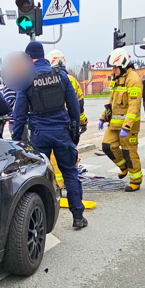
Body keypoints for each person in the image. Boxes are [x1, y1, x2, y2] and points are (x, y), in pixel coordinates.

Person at [12, 41, 87, 229]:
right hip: (62, 133)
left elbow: (19, 113)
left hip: (39, 135)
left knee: (39, 176)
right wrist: (75, 132)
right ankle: (78, 216)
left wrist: (16, 140)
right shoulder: (61, 76)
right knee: (70, 172)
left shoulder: (26, 78)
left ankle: (41, 221)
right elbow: (74, 107)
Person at [99, 48, 143, 191]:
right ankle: (123, 167)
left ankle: (135, 181)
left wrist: (127, 126)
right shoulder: (116, 79)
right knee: (107, 146)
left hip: (128, 126)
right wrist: (103, 117)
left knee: (129, 152)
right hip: (114, 124)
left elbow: (134, 106)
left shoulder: (133, 79)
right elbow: (111, 101)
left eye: (115, 67)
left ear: (123, 65)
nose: (113, 70)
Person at [47, 49, 88, 189]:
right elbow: (79, 105)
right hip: (71, 125)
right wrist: (82, 123)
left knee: (54, 157)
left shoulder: (49, 79)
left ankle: (58, 186)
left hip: (55, 125)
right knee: (71, 155)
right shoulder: (72, 80)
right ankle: (73, 184)